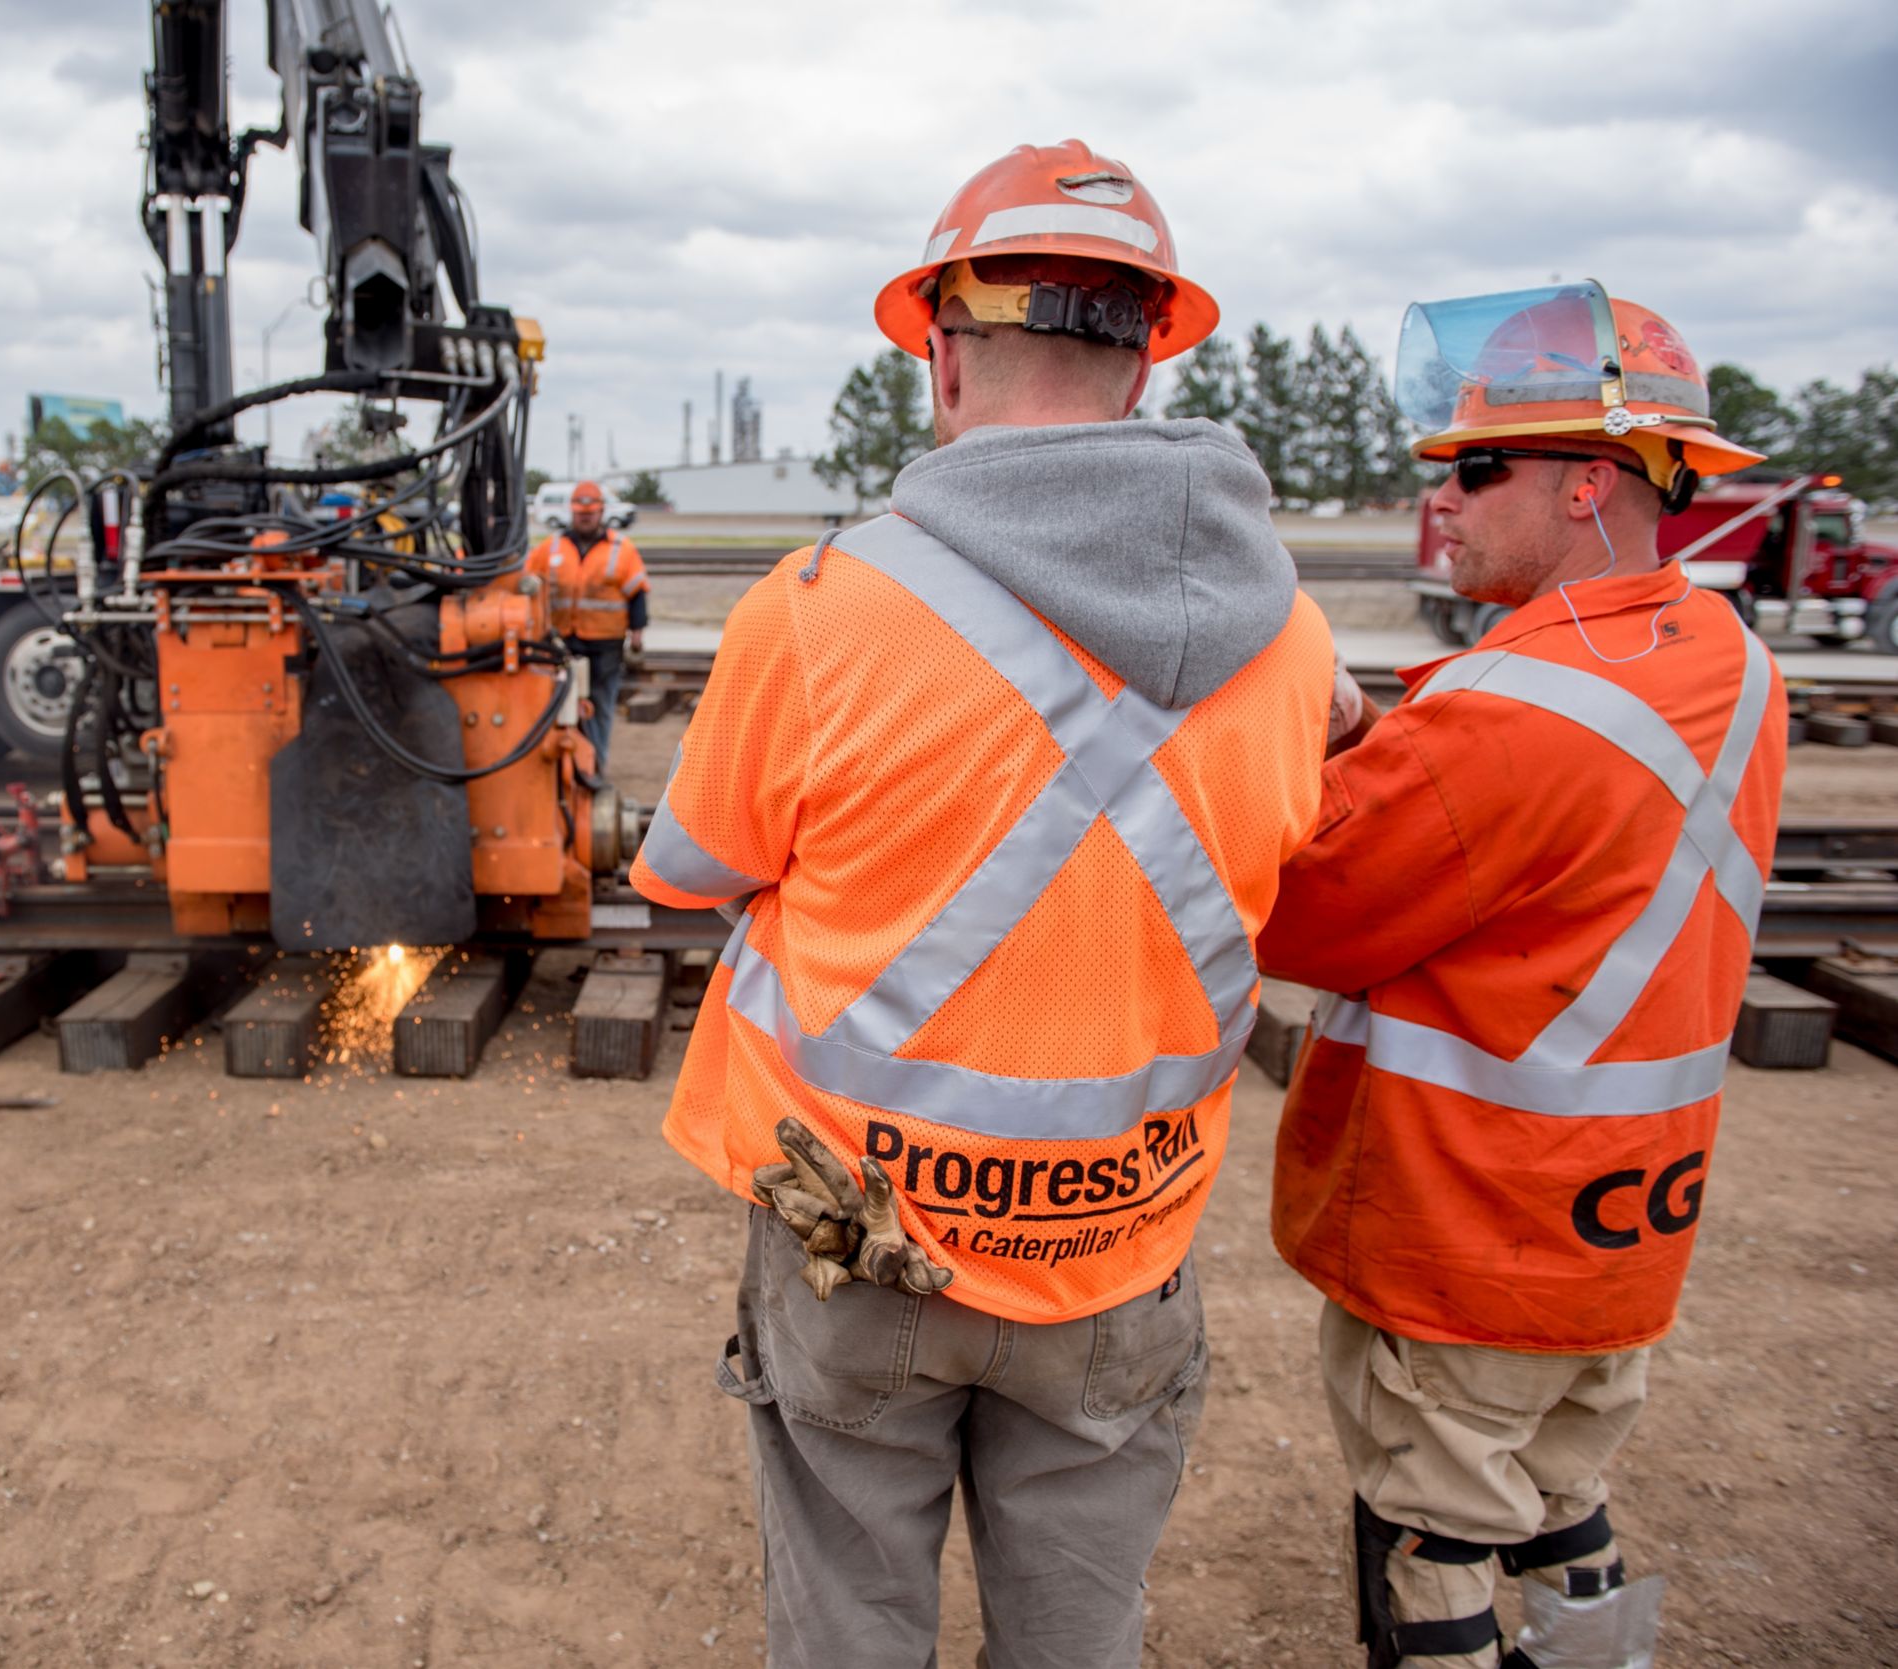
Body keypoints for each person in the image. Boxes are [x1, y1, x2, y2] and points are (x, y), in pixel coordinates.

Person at [627, 141, 1340, 1668]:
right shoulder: (1294, 641)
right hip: (1120, 1242)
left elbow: (683, 873)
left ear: (943, 354)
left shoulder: (819, 611)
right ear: (1146, 358)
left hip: (866, 1231)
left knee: (848, 1632)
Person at [1256, 283, 1783, 1669]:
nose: (1444, 499)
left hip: (1465, 1224)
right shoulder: (1725, 654)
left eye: (1477, 468)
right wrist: (1386, 733)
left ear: (1589, 484)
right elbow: (1550, 796)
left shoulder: (1503, 719)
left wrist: (1303, 763)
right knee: (1559, 1498)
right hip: (1621, 1222)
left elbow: (1301, 918)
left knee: (1434, 1534)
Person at [523, 480, 645, 769]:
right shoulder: (550, 548)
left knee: (600, 707)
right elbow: (526, 588)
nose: (586, 517)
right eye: (580, 513)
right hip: (561, 643)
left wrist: (637, 639)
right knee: (558, 708)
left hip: (605, 645)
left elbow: (637, 594)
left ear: (601, 512)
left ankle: (594, 768)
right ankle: (563, 769)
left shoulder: (621, 549)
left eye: (591, 512)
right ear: (571, 513)